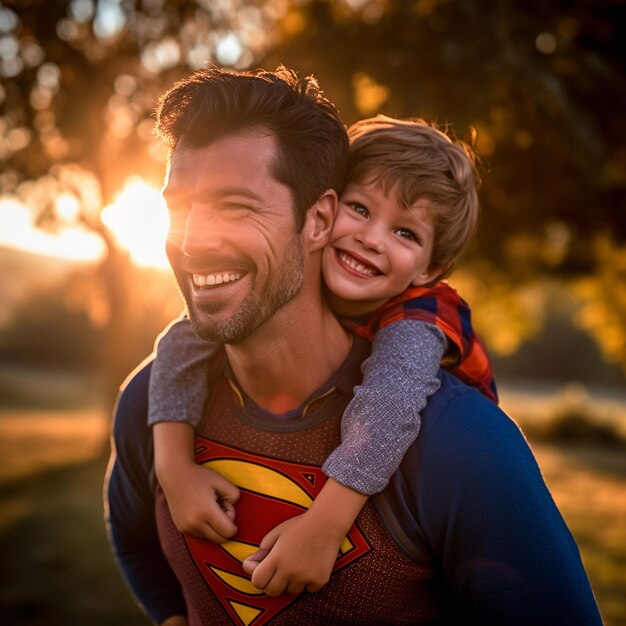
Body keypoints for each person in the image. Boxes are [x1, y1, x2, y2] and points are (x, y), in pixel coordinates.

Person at [105, 66, 602, 626]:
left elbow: (393, 398)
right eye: (179, 206)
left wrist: (326, 523)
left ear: (317, 218)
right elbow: (135, 543)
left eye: (237, 206)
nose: (193, 240)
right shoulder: (153, 395)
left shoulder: (460, 442)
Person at [147, 113, 498, 597]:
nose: (372, 238)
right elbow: (183, 338)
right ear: (322, 209)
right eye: (359, 208)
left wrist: (325, 526)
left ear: (431, 266)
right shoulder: (296, 285)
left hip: (447, 476)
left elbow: (389, 406)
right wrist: (173, 468)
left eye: (406, 233)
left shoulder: (420, 317)